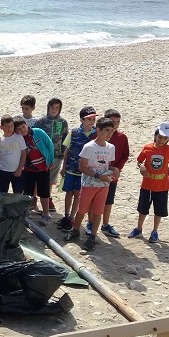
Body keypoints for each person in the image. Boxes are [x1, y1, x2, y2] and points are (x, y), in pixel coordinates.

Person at [63, 117, 118, 251]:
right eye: (107, 130)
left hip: (103, 186)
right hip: (89, 184)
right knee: (82, 210)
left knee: (98, 212)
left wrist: (115, 170)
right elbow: (82, 167)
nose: (109, 133)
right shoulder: (89, 147)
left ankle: (92, 236)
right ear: (98, 130)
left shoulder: (111, 147)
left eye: (111, 131)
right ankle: (75, 230)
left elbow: (107, 165)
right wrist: (98, 176)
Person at [128, 122, 169, 243]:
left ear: (168, 139)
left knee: (159, 210)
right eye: (160, 137)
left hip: (162, 186)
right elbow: (139, 161)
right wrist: (141, 166)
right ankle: (139, 228)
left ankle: (155, 231)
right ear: (155, 136)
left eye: (165, 138)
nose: (162, 140)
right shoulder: (147, 147)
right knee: (142, 208)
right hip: (147, 185)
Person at [57, 107, 98, 232]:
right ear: (81, 120)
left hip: (85, 172)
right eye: (88, 119)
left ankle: (72, 217)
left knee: (77, 194)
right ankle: (66, 216)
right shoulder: (74, 132)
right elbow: (67, 150)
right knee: (69, 193)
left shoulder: (96, 134)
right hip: (71, 168)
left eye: (93, 119)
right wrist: (64, 167)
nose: (91, 121)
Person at [94, 109, 130, 238]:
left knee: (108, 201)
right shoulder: (97, 135)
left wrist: (117, 168)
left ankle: (105, 224)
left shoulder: (122, 137)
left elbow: (125, 155)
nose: (115, 125)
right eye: (113, 122)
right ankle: (91, 223)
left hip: (112, 175)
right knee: (94, 200)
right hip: (97, 173)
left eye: (118, 122)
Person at [17, 117, 54, 225]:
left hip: (43, 167)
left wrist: (50, 160)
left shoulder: (38, 132)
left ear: (26, 124)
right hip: (29, 169)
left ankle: (46, 214)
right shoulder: (19, 138)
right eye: (19, 129)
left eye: (23, 127)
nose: (22, 130)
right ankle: (26, 212)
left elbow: (49, 145)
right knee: (28, 191)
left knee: (44, 192)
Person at [35, 98, 69, 212]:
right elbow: (35, 136)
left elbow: (65, 138)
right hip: (42, 156)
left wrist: (62, 154)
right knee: (38, 179)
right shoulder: (41, 121)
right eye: (52, 107)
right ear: (48, 107)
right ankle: (34, 199)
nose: (54, 110)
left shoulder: (63, 122)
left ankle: (48, 197)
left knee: (51, 180)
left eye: (56, 108)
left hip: (56, 156)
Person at [0, 115, 27, 194]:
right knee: (2, 193)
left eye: (12, 126)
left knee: (18, 193)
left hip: (17, 170)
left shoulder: (19, 137)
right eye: (7, 126)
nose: (10, 129)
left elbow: (23, 154)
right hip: (3, 171)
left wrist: (19, 169)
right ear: (1, 127)